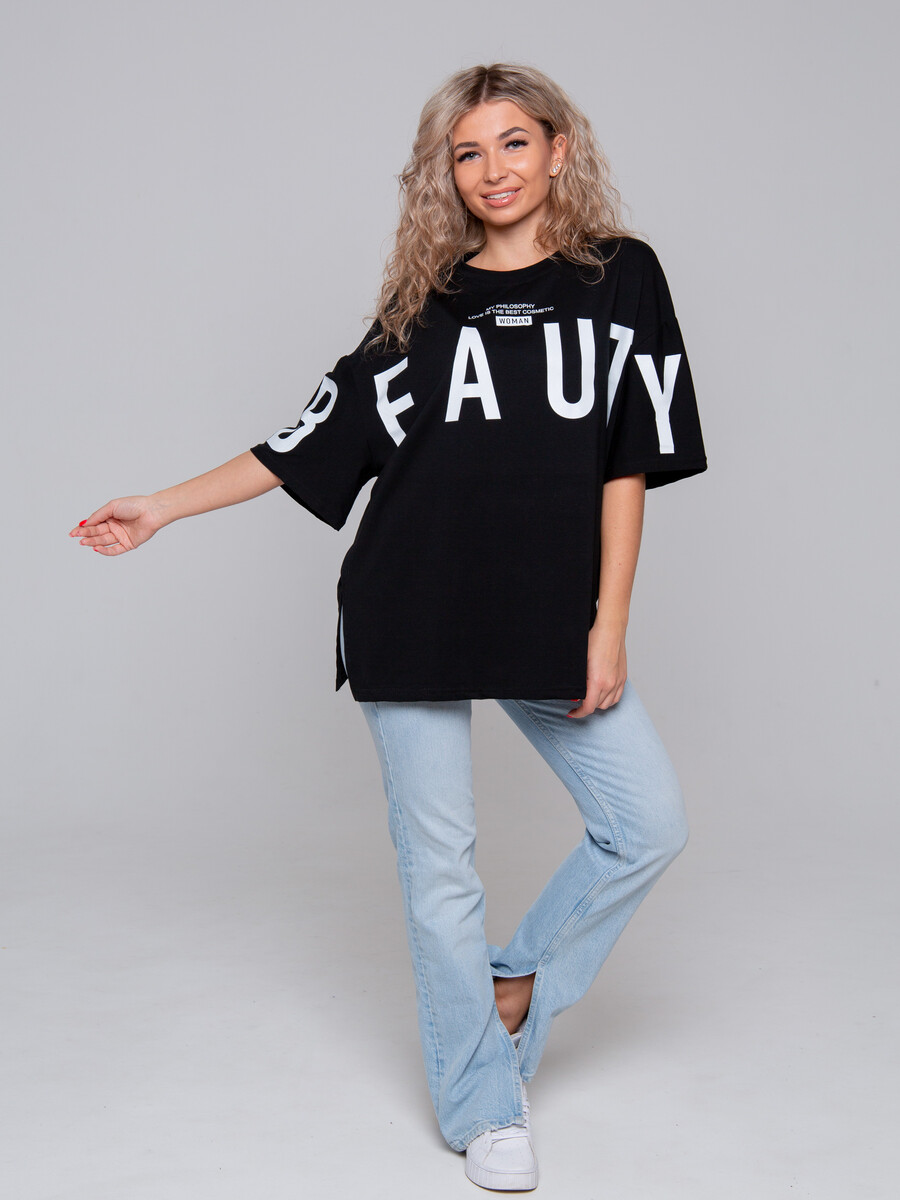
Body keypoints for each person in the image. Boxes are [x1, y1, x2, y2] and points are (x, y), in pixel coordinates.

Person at [70, 63, 706, 1192]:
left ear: (559, 148)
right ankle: (484, 1107)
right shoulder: (426, 307)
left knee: (647, 822)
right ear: (445, 174)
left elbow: (628, 463)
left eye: (514, 142)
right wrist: (160, 506)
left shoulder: (624, 280)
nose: (494, 170)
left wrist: (609, 622)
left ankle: (514, 985)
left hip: (549, 612)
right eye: (468, 153)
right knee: (442, 875)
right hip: (412, 605)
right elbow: (302, 440)